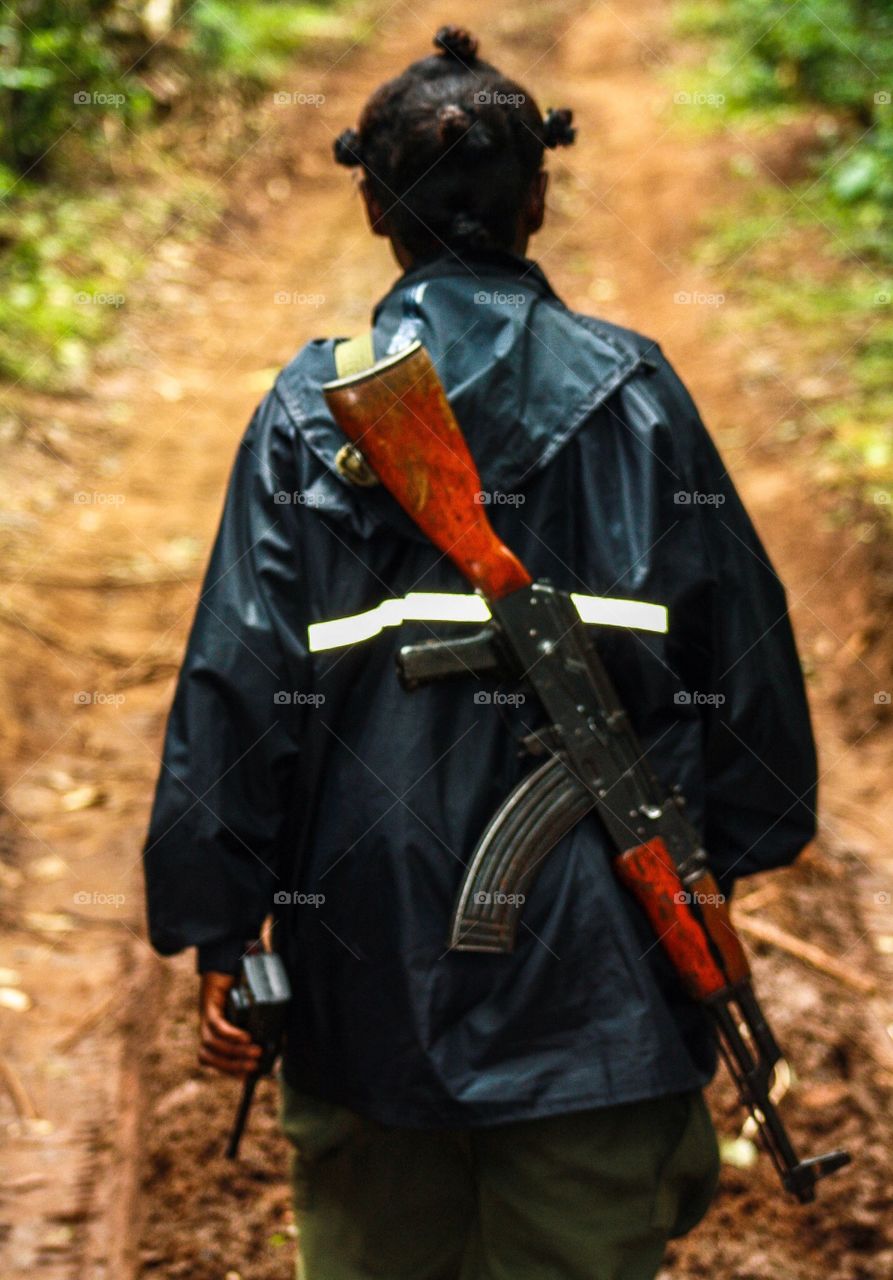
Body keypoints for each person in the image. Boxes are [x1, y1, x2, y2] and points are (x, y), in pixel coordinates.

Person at [143, 25, 818, 1280]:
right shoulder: (639, 397)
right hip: (605, 997)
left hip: (364, 986)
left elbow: (236, 688)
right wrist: (701, 868)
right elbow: (752, 687)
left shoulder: (304, 417)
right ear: (537, 198)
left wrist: (224, 931)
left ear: (371, 208)